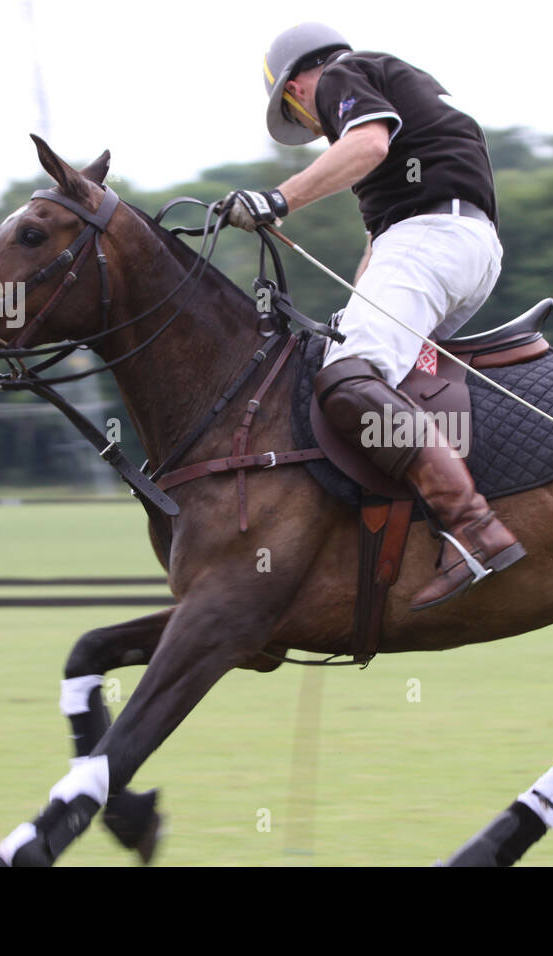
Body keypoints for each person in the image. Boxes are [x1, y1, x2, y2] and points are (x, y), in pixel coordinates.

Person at [219, 22, 523, 610]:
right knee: (385, 377)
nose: (310, 128)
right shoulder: (393, 86)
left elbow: (368, 145)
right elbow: (380, 243)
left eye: (295, 112)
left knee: (346, 377)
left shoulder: (338, 76)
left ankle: (474, 530)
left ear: (295, 87)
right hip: (458, 246)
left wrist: (276, 199)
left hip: (431, 240)